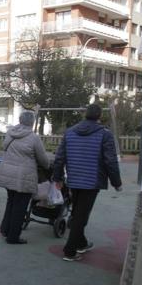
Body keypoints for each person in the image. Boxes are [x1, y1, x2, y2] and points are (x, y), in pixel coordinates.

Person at [52, 104, 122, 261]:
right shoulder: (105, 134)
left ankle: (81, 243)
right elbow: (110, 160)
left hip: (74, 179)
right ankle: (70, 251)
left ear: (85, 115)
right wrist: (116, 183)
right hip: (92, 180)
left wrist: (57, 178)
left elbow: (60, 158)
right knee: (80, 216)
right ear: (99, 117)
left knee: (78, 212)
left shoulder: (70, 133)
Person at [0, 111, 50, 244]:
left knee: (11, 202)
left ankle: (5, 229)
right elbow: (43, 160)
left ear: (20, 120)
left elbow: (4, 148)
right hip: (23, 177)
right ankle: (13, 236)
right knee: (20, 207)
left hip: (8, 173)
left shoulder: (10, 133)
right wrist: (48, 165)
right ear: (32, 123)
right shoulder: (34, 138)